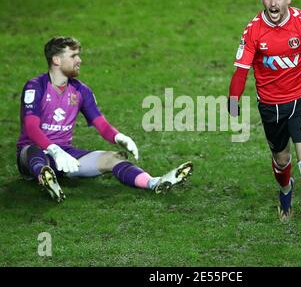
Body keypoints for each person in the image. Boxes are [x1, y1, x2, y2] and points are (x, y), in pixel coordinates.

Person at [228, 0, 301, 259]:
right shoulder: (253, 31)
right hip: (271, 106)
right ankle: (284, 188)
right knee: (282, 160)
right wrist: (233, 100)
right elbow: (241, 72)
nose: (273, 3)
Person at [16, 36, 193, 202]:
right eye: (74, 56)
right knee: (33, 151)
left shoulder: (81, 90)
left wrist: (118, 137)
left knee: (114, 158)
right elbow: (31, 127)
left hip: (66, 158)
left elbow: (100, 124)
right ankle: (45, 176)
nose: (79, 60)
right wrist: (54, 150)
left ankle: (154, 182)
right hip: (34, 155)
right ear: (56, 60)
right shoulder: (36, 86)